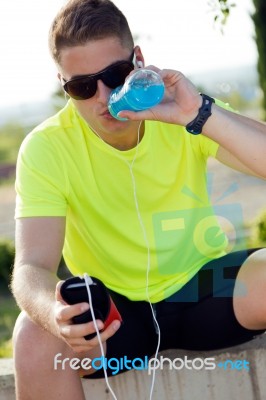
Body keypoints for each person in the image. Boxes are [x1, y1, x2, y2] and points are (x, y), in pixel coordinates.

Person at [11, 0, 266, 399]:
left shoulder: (180, 111)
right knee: (31, 333)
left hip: (204, 290)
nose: (103, 96)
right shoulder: (46, 148)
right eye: (81, 86)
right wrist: (53, 315)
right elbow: (31, 267)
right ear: (63, 83)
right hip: (115, 318)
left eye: (115, 74)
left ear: (138, 61)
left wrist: (197, 114)